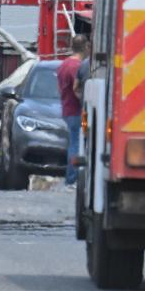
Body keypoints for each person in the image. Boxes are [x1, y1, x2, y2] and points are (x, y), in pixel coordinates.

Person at [57, 34, 89, 186]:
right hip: (76, 111)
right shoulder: (76, 66)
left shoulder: (64, 64)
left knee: (74, 142)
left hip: (67, 109)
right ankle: (72, 178)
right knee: (76, 144)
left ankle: (72, 177)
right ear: (86, 47)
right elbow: (77, 89)